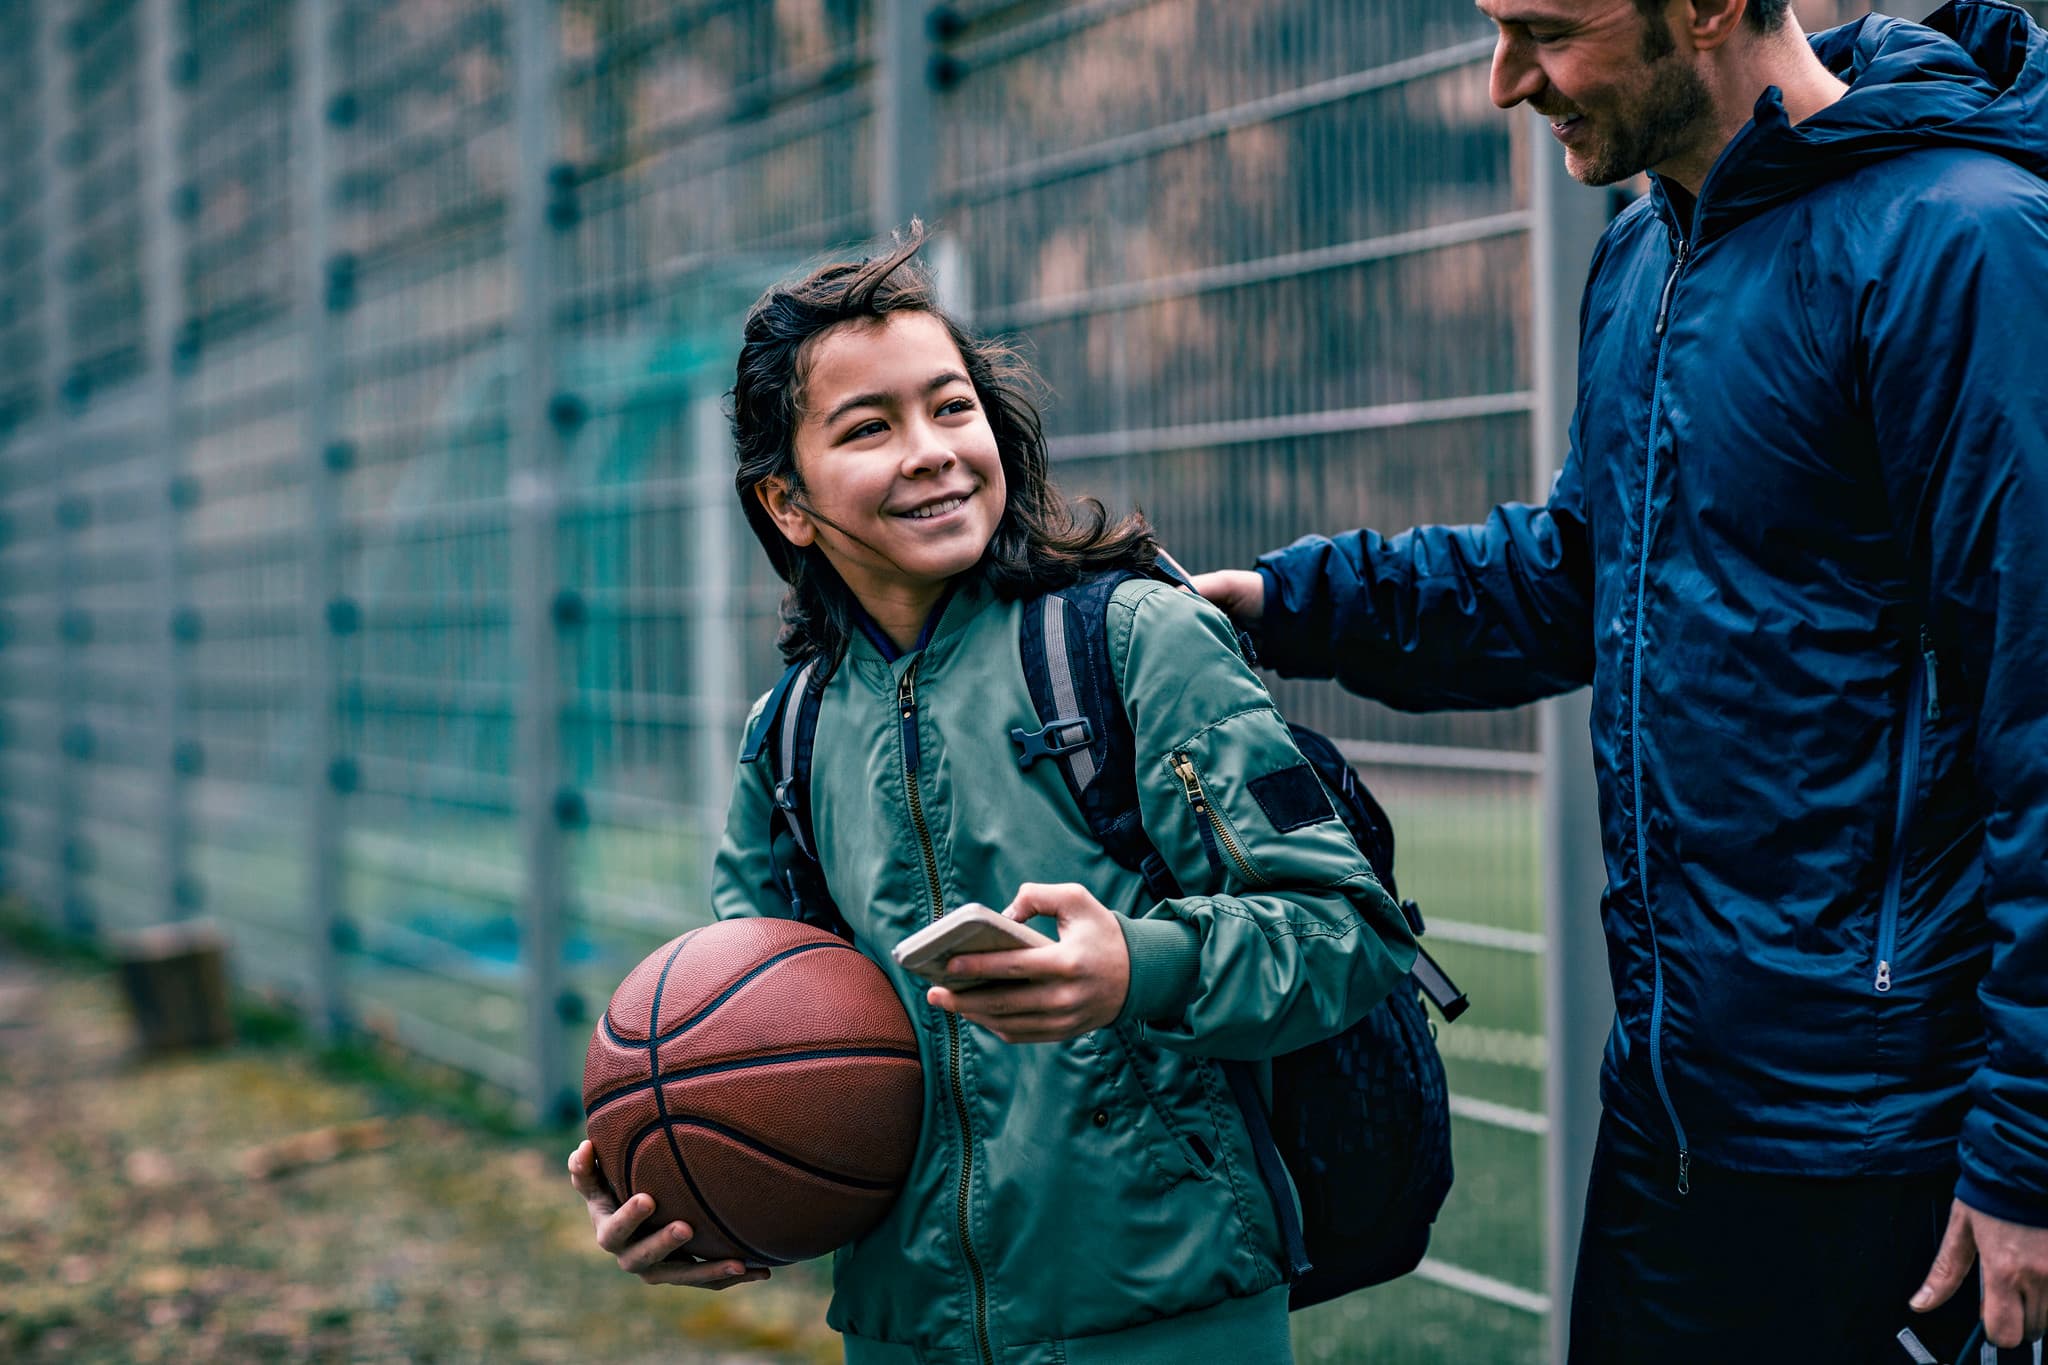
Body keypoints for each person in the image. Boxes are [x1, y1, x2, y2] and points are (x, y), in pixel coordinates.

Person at [1193, 0, 2048, 1359]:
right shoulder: (1650, 242)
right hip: (1667, 1111)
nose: (1502, 81)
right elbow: (1581, 579)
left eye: (1546, 30)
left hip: (1886, 1144)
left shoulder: (1966, 242)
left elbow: (2038, 710)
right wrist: (1289, 604)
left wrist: (2028, 1149)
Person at [566, 230, 1418, 1365]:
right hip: (903, 1328)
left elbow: (1345, 930)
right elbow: (762, 1030)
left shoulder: (1137, 642)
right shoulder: (787, 736)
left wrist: (1136, 967)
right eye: (868, 428)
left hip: (1167, 1315)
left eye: (950, 407)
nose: (929, 453)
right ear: (785, 500)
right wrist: (684, 1176)